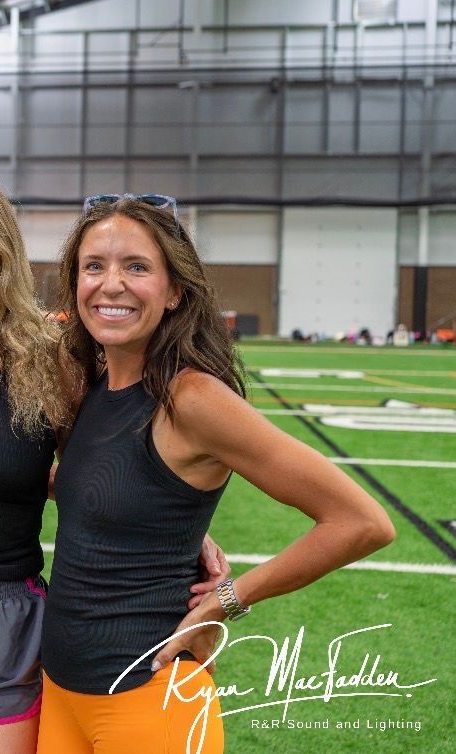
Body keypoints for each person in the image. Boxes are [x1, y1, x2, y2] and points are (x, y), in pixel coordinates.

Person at [0, 171, 229, 754]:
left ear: (2, 252)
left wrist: (187, 536)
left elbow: (99, 472)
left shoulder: (53, 364)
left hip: (8, 619)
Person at [38, 194, 397, 753]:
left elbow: (362, 522)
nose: (111, 284)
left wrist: (224, 601)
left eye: (137, 266)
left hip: (150, 698)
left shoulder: (194, 397)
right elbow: (104, 487)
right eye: (94, 266)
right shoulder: (95, 383)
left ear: (175, 290)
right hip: (60, 690)